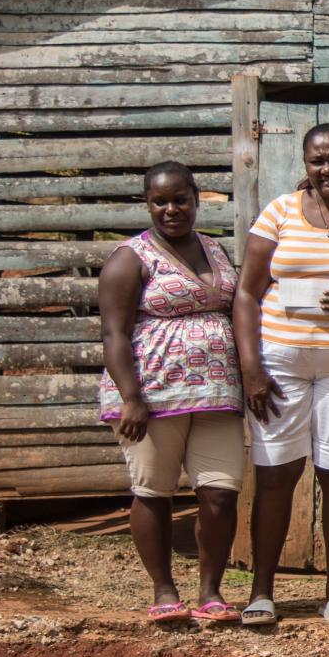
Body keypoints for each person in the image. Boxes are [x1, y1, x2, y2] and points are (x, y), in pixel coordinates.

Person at [98, 162, 245, 625]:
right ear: (148, 203)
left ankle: (211, 592)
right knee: (153, 492)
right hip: (155, 396)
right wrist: (131, 397)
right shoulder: (130, 258)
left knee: (220, 493)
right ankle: (164, 591)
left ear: (196, 198)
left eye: (180, 199)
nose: (171, 209)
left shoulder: (215, 249)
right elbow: (113, 335)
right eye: (160, 201)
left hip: (218, 394)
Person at [233, 124, 329, 628]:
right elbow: (246, 292)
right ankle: (262, 591)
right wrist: (251, 370)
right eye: (317, 160)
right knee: (275, 475)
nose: (327, 168)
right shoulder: (280, 212)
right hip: (280, 363)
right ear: (305, 164)